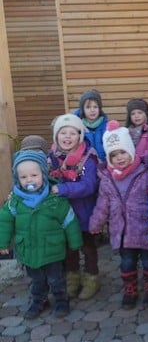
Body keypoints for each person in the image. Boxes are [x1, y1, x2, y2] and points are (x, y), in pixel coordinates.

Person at [0, 150, 82, 319]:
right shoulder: (15, 201)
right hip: (28, 250)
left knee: (56, 278)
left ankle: (61, 300)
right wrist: (3, 243)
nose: (29, 180)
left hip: (52, 250)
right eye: (23, 177)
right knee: (36, 280)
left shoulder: (55, 200)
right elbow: (5, 221)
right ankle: (39, 300)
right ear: (18, 179)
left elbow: (69, 220)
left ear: (43, 175)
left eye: (34, 175)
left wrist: (75, 242)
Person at [89, 121, 148, 309]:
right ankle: (130, 289)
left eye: (122, 152)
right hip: (121, 231)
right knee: (127, 262)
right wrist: (96, 223)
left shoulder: (145, 173)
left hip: (144, 228)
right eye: (114, 155)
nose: (119, 158)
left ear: (130, 150)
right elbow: (102, 203)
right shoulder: (107, 178)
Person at [48, 113, 100, 300]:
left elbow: (88, 186)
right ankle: (72, 279)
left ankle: (91, 278)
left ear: (80, 136)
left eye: (72, 133)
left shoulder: (88, 158)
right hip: (62, 215)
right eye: (63, 133)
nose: (68, 137)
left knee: (88, 248)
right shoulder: (53, 157)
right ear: (56, 136)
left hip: (84, 213)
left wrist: (62, 189)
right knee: (69, 249)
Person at [75, 89, 108, 161]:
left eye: (95, 107)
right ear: (82, 109)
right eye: (88, 107)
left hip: (103, 166)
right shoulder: (76, 127)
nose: (92, 110)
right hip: (84, 166)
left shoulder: (106, 127)